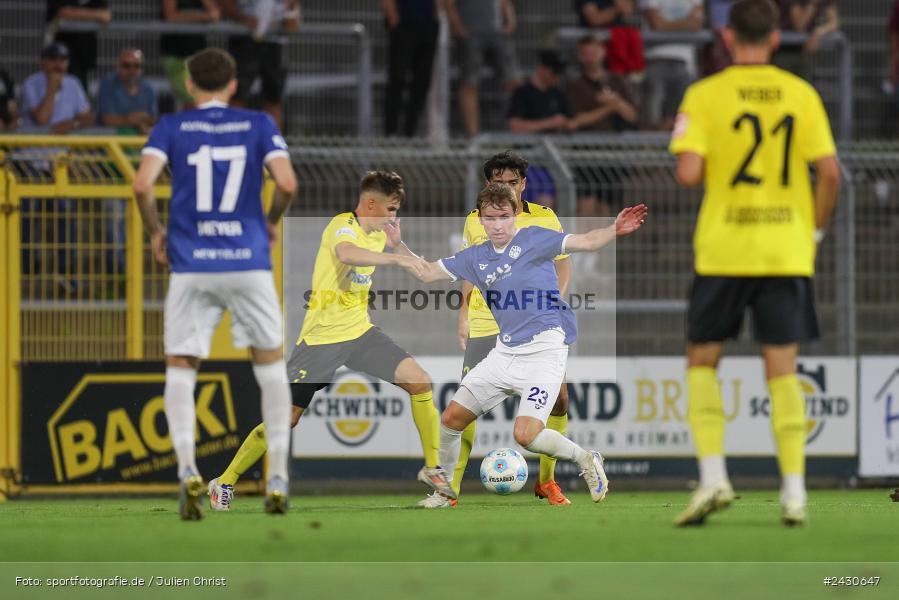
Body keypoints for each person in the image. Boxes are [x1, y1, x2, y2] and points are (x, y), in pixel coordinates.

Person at [669, 0, 841, 527]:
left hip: (725, 247)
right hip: (786, 249)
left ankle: (714, 477)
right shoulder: (801, 93)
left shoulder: (704, 93)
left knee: (702, 360)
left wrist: (691, 143)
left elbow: (689, 174)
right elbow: (830, 173)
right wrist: (810, 231)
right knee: (782, 370)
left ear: (726, 37)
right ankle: (793, 492)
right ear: (774, 39)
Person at [207, 172, 442, 511]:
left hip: (360, 333)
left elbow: (411, 263)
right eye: (390, 209)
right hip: (321, 340)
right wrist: (396, 258)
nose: (393, 216)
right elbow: (347, 253)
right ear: (370, 204)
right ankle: (224, 482)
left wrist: (398, 246)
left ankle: (434, 470)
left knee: (419, 381)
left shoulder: (378, 233)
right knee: (284, 419)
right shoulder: (341, 226)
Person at [133, 48, 298, 520]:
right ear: (232, 85)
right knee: (268, 365)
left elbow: (142, 185)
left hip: (191, 264)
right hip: (248, 261)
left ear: (190, 84)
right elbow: (286, 182)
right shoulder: (258, 124)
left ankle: (187, 467)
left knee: (182, 366)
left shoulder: (171, 127)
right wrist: (269, 221)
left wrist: (155, 233)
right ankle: (279, 475)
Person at [412, 182, 647, 504]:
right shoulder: (474, 258)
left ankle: (585, 458)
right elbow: (425, 273)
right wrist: (398, 247)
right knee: (451, 419)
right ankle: (444, 492)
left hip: (544, 350)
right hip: (504, 353)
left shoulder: (534, 239)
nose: (497, 225)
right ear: (480, 219)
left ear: (514, 217)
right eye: (490, 218)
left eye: (504, 217)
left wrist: (613, 229)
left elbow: (587, 242)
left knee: (525, 435)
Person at [419, 151, 573, 509]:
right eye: (500, 182)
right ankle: (449, 489)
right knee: (465, 407)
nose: (509, 187)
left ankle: (546, 481)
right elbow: (468, 269)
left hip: (537, 327)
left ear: (524, 184)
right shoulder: (477, 220)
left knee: (561, 400)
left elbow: (564, 266)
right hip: (487, 324)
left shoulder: (546, 218)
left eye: (514, 182)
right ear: (490, 185)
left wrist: (554, 300)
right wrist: (462, 316)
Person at [219, 0, 301, 130]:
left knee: (273, 97)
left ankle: (272, 144)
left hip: (276, 43)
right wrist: (244, 19)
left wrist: (290, 14)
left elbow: (292, 19)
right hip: (244, 39)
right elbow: (225, 4)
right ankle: (231, 140)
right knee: (236, 94)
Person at [444, 0, 521, 136]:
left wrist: (510, 21)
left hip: (497, 33)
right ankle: (473, 136)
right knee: (469, 84)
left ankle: (518, 131)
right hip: (471, 34)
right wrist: (457, 27)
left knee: (513, 82)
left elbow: (505, 2)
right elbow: (448, 3)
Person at [641, 0, 704, 130]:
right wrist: (686, 23)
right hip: (655, 58)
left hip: (685, 62)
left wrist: (667, 25)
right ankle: (649, 149)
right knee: (652, 115)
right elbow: (656, 24)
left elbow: (697, 24)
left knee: (681, 116)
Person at [381, 0, 439, 136]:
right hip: (404, 25)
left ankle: (409, 132)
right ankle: (391, 131)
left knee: (422, 81)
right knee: (397, 79)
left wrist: (435, 17)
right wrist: (394, 20)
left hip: (428, 26)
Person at [565, 34, 638, 132]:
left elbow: (633, 116)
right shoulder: (574, 85)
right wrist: (610, 107)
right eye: (585, 54)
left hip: (619, 142)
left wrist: (616, 101)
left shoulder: (618, 80)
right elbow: (575, 120)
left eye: (594, 53)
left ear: (603, 52)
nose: (590, 58)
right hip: (587, 142)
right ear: (579, 56)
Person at [161, 0, 221, 111]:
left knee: (202, 98)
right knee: (190, 98)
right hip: (176, 56)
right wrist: (204, 16)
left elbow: (214, 15)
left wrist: (188, 17)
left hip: (198, 55)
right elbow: (171, 16)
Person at [20, 42, 92, 133]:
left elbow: (87, 117)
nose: (58, 64)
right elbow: (42, 119)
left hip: (63, 144)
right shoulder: (31, 84)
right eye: (53, 59)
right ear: (42, 61)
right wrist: (52, 87)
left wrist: (73, 124)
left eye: (63, 59)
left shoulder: (73, 83)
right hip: (34, 144)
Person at [46, 0, 112, 88]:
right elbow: (63, 12)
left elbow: (105, 16)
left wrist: (75, 13)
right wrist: (94, 15)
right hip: (59, 56)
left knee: (79, 90)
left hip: (84, 55)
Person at [506, 50, 574, 134]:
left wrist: (567, 124)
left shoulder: (557, 94)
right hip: (529, 146)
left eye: (560, 73)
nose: (557, 76)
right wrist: (549, 123)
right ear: (542, 68)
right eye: (554, 72)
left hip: (554, 145)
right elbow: (514, 126)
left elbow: (570, 120)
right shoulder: (522, 92)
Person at [97, 48, 158, 135]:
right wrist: (137, 120)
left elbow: (154, 119)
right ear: (118, 66)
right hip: (111, 140)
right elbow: (108, 120)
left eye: (136, 66)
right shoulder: (108, 83)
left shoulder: (148, 87)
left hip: (138, 141)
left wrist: (134, 120)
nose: (131, 70)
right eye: (126, 65)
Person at [773, 0, 839, 79]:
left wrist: (818, 32)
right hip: (782, 50)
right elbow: (799, 27)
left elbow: (834, 22)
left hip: (802, 52)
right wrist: (812, 4)